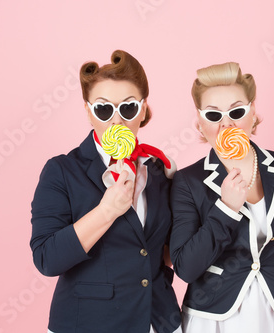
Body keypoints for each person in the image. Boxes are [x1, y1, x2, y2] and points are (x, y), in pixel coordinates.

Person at [169, 62, 274, 332]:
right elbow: (186, 268)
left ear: (253, 113)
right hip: (214, 320)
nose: (226, 123)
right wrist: (225, 210)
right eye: (213, 116)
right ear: (199, 122)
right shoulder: (188, 182)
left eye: (236, 111)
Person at [30, 50, 182, 333]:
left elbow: (168, 253)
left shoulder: (161, 170)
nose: (116, 121)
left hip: (158, 320)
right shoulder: (61, 171)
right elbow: (47, 259)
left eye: (127, 108)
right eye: (103, 109)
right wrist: (106, 211)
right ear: (88, 112)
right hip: (88, 322)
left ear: (143, 109)